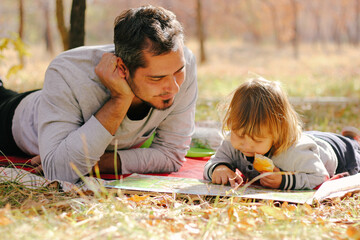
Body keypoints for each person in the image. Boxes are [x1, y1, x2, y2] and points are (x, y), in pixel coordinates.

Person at [0, 5, 198, 183]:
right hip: (15, 119)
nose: (174, 88)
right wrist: (120, 99)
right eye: (156, 78)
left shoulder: (182, 62)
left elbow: (171, 155)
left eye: (178, 72)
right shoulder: (68, 71)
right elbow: (59, 171)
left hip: (55, 102)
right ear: (122, 68)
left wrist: (94, 162)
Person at [203, 78, 360, 190]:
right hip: (313, 138)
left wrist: (285, 180)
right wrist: (220, 168)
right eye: (239, 134)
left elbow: (320, 177)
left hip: (343, 154)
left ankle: (352, 140)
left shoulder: (294, 152)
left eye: (257, 140)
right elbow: (213, 161)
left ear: (277, 134)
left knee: (354, 148)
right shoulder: (232, 142)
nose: (246, 144)